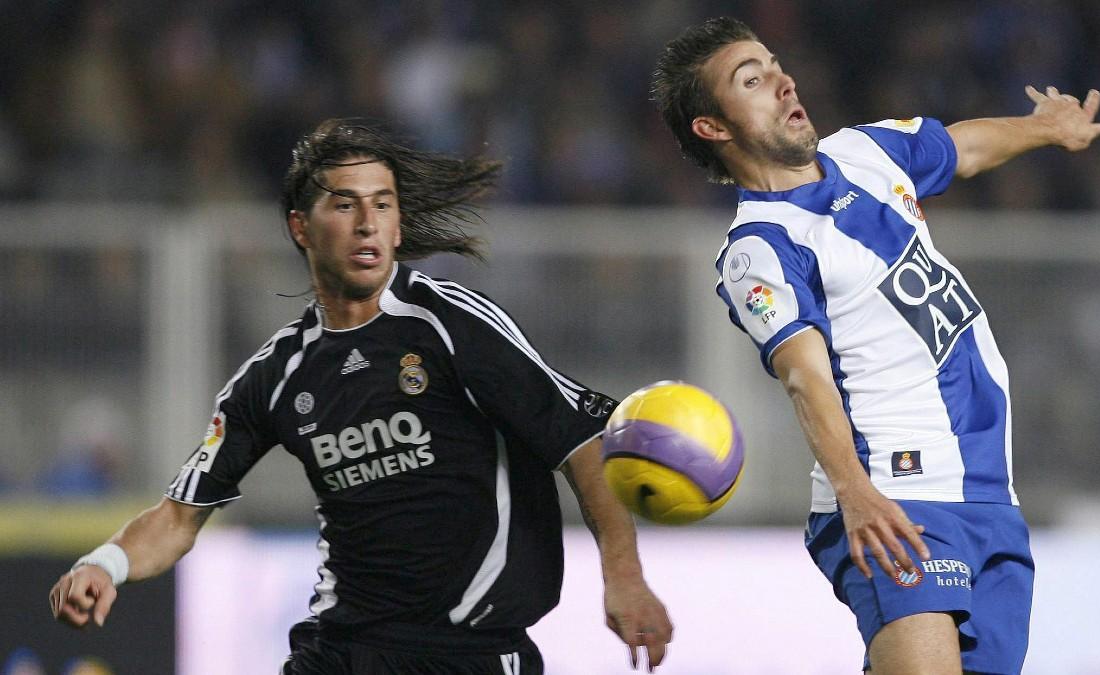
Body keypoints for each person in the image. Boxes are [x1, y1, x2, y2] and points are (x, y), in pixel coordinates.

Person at [49, 119, 672, 674]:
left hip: (474, 654)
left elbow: (582, 440)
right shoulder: (276, 377)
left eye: (382, 204)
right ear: (301, 227)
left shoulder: (452, 326)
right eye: (344, 205)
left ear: (399, 225)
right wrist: (105, 563)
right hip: (341, 650)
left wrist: (625, 576)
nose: (367, 223)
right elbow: (180, 516)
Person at [651, 17, 1100, 675]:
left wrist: (1046, 129)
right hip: (894, 492)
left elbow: (961, 148)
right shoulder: (761, 247)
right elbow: (804, 374)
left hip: (988, 495)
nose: (781, 81)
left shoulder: (868, 151)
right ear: (713, 127)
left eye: (775, 64)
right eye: (751, 79)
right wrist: (854, 491)